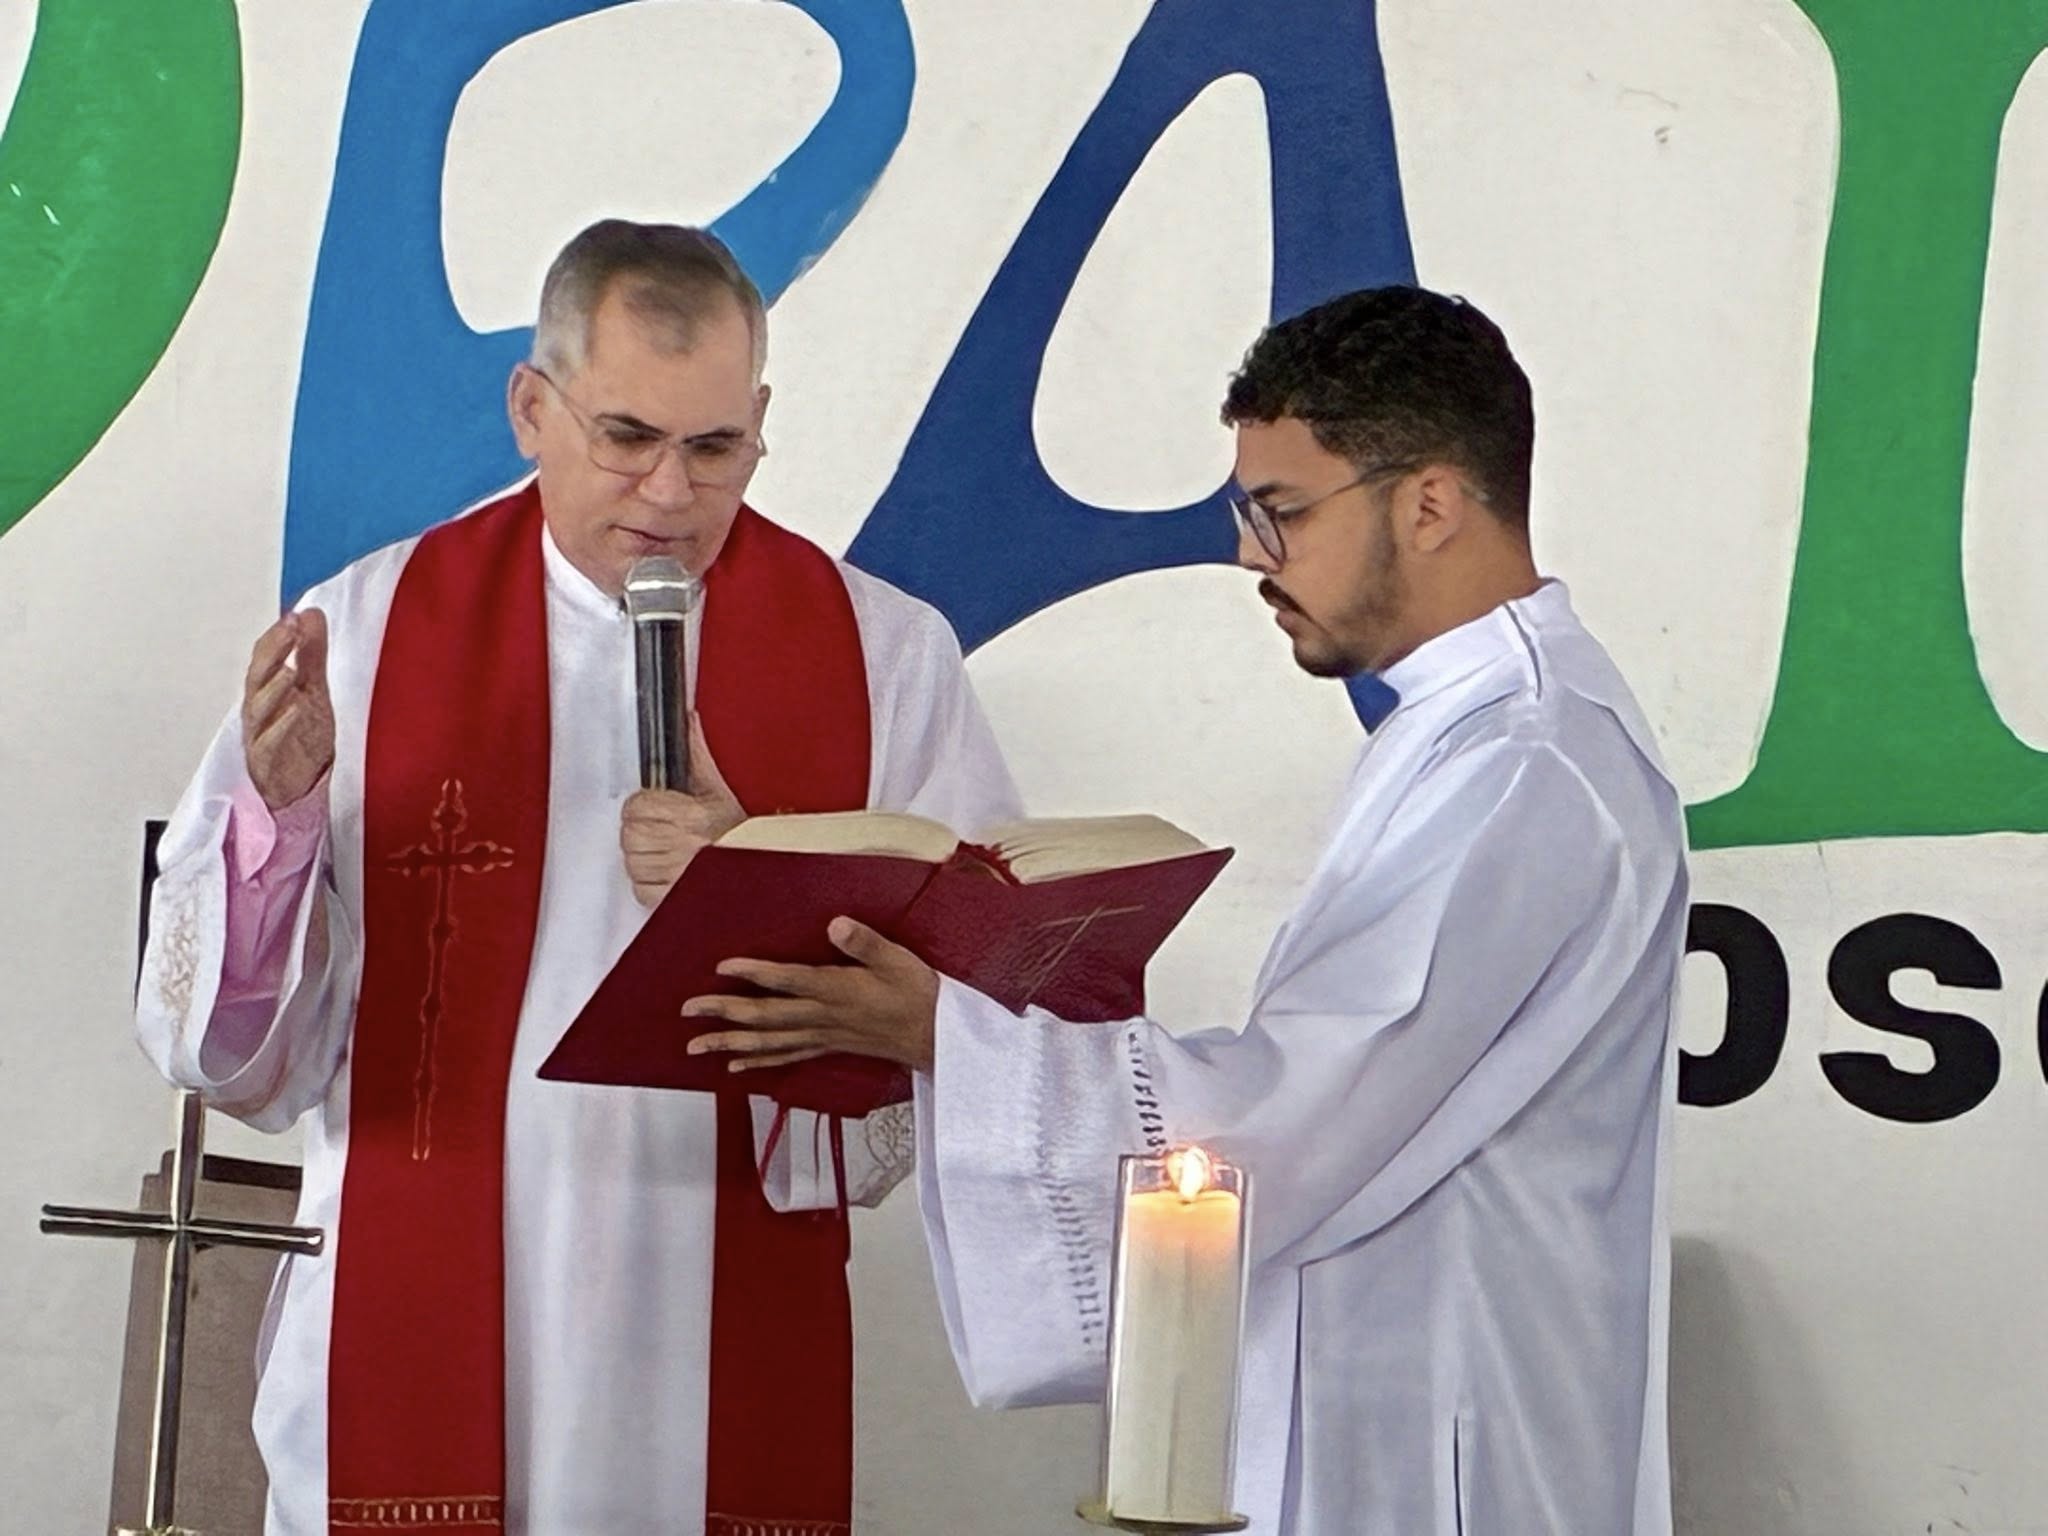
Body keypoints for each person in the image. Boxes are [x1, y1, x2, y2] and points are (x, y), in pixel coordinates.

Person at [683, 287, 1689, 1535]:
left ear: (1428, 504)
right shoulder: (1472, 729)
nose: (1251, 556)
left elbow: (1308, 1098)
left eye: (1281, 511)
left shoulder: (1524, 763)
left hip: (1443, 1422)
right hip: (1398, 1380)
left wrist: (948, 1032)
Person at [135, 219, 1020, 1536]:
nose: (670, 493)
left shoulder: (882, 653)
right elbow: (217, 1050)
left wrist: (756, 882)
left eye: (714, 447)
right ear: (530, 410)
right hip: (418, 1318)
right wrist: (283, 818)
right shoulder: (364, 632)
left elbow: (984, 998)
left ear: (761, 421)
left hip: (714, 1301)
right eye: (626, 437)